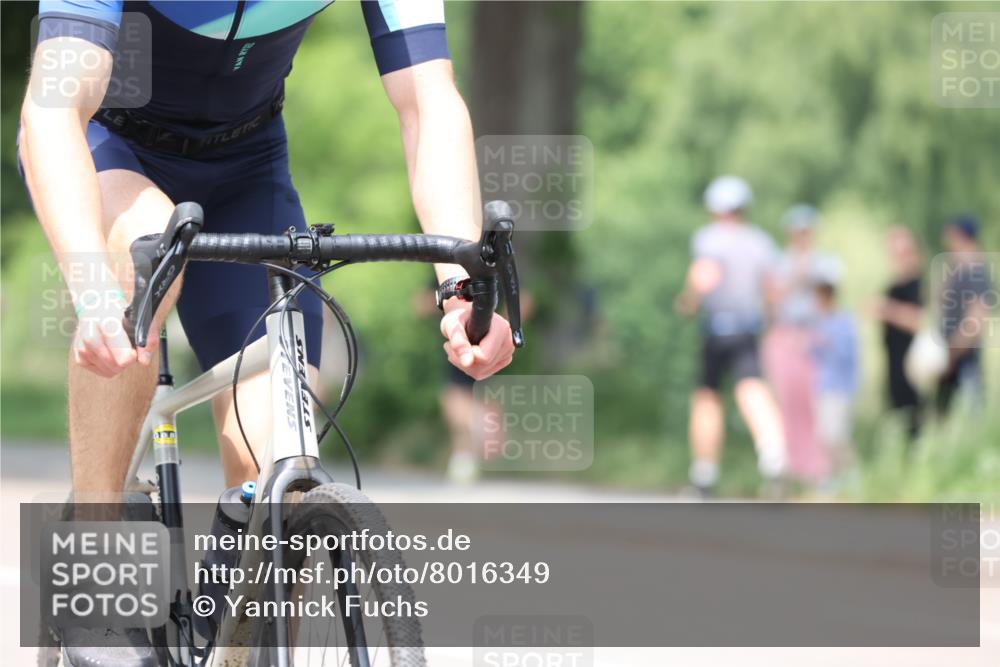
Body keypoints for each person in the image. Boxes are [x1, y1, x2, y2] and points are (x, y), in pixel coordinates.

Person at [19, 2, 515, 664]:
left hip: (246, 167)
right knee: (144, 268)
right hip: (107, 149)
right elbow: (53, 108)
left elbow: (428, 100)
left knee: (280, 460)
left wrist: (458, 286)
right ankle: (96, 549)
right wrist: (91, 288)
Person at [676, 176, 787, 497]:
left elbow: (704, 275)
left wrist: (688, 301)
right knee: (752, 388)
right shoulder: (760, 242)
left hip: (718, 328)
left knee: (708, 398)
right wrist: (768, 320)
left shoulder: (710, 238)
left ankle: (704, 474)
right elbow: (773, 290)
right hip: (747, 328)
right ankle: (773, 459)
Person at [761, 204, 836, 484]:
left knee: (815, 403)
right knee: (785, 402)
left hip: (814, 336)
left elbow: (828, 301)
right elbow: (771, 301)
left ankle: (819, 468)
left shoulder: (826, 262)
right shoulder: (779, 262)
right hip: (785, 335)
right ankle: (788, 466)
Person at [869, 226, 924, 438]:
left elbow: (919, 320)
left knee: (915, 422)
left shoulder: (919, 285)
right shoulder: (894, 286)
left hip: (915, 368)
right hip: (894, 364)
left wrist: (886, 310)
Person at [936, 215, 993, 415]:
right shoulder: (959, 270)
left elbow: (975, 321)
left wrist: (951, 353)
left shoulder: (976, 271)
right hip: (951, 356)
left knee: (969, 415)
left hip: (963, 357)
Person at [810, 260, 859, 485]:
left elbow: (848, 355)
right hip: (822, 386)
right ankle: (832, 478)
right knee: (824, 434)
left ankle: (850, 475)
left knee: (836, 434)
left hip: (839, 387)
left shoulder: (843, 322)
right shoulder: (818, 323)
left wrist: (826, 342)